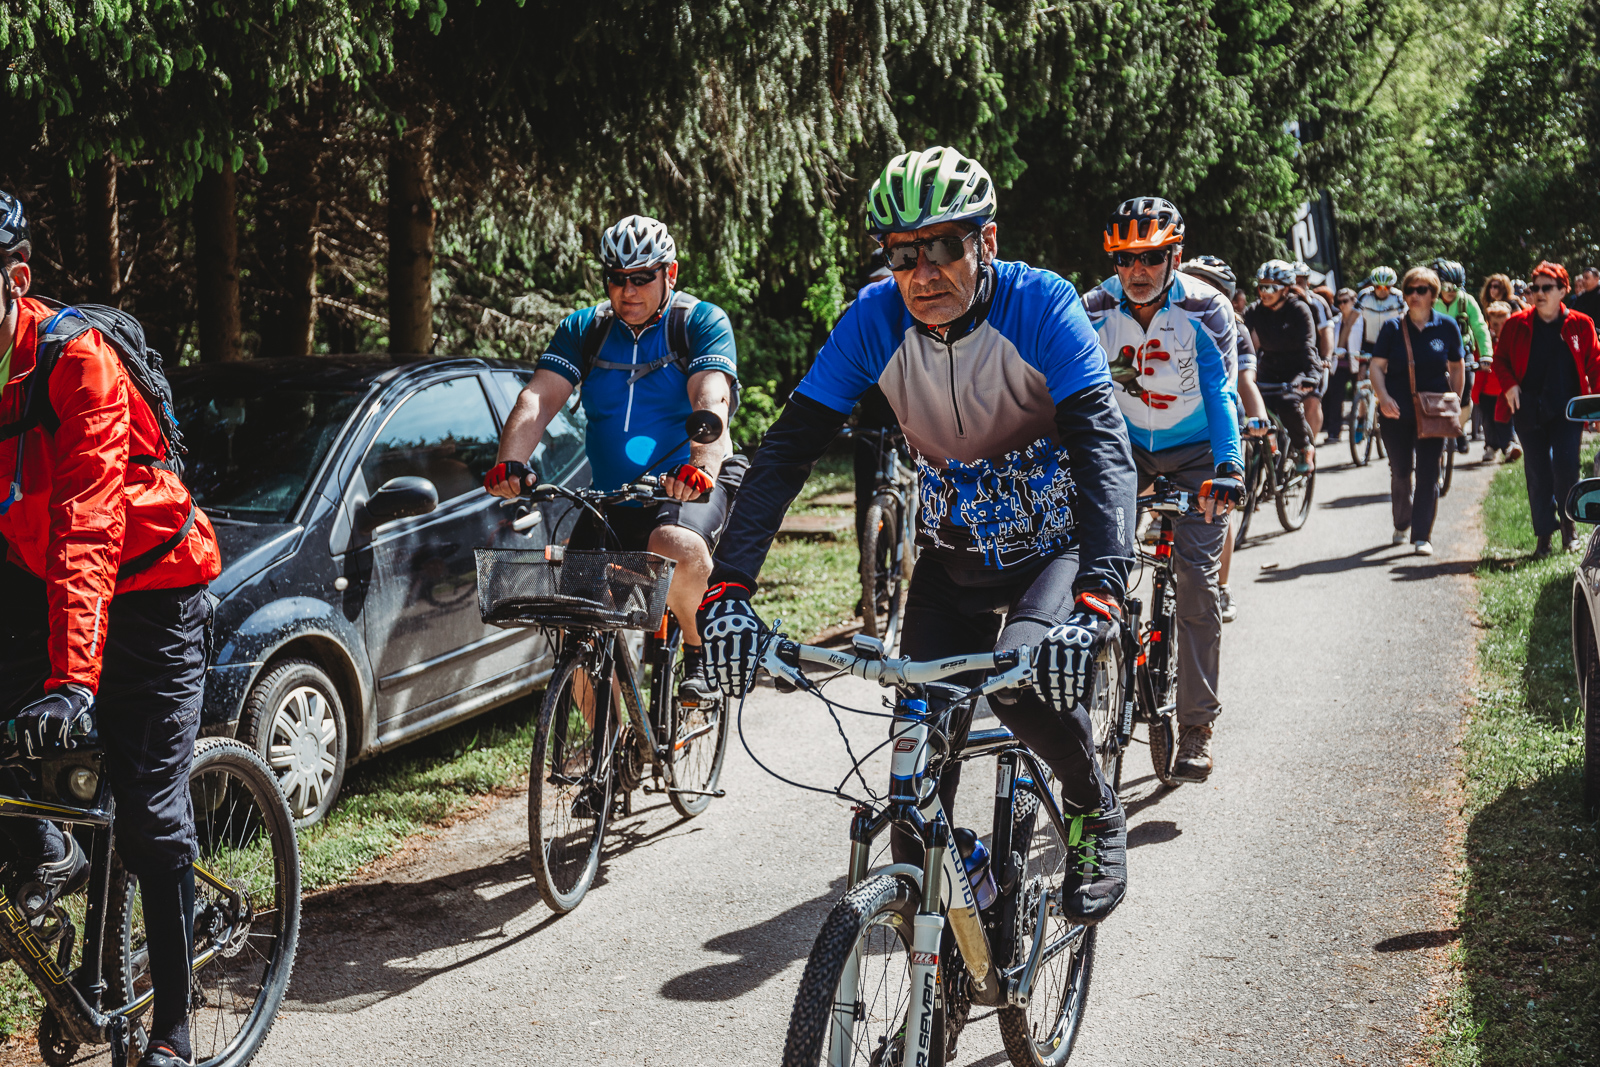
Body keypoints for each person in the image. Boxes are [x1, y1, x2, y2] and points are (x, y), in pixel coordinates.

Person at [696, 146, 1140, 924]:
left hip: (1055, 548)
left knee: (1023, 680)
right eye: (902, 252)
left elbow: (1102, 447)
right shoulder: (874, 320)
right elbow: (787, 451)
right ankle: (975, 916)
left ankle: (1094, 805)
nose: (923, 272)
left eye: (943, 247)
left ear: (987, 242)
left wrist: (1101, 591)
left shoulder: (1044, 305)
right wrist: (728, 587)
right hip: (953, 556)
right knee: (910, 788)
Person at [0, 190, 223, 1067]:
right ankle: (48, 846)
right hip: (39, 578)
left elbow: (89, 525)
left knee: (150, 819)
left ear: (15, 281)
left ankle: (172, 1025)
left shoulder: (75, 362)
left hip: (152, 587)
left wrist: (73, 681)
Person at [486, 214, 743, 699]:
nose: (628, 291)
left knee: (676, 544)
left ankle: (698, 652)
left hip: (683, 486)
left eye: (642, 278)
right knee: (570, 623)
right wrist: (512, 463)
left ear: (670, 273)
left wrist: (700, 468)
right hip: (610, 498)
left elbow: (711, 397)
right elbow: (537, 400)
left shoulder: (699, 323)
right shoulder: (585, 329)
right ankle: (617, 755)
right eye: (617, 279)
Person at [1084, 206, 1242, 782]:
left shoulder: (1205, 307)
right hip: (1128, 448)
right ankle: (1098, 684)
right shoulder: (1094, 308)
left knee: (1199, 584)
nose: (1139, 270)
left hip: (1200, 449)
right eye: (1126, 259)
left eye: (1151, 257)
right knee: (1095, 566)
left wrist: (1229, 465)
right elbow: (1074, 397)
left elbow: (1222, 392)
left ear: (1174, 256)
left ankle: (1197, 727)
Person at [1180, 256, 1267, 626]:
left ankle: (1223, 583)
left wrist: (1257, 416)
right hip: (1174, 429)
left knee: (1218, 507)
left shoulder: (1236, 328)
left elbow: (1244, 382)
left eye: (1207, 285)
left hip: (1218, 427)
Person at [1493, 261, 1600, 557]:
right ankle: (1543, 537)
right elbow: (1500, 361)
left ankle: (1569, 531)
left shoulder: (1580, 323)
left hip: (1568, 409)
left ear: (1563, 290)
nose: (1539, 293)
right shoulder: (1517, 324)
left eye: (1546, 288)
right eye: (1535, 288)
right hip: (1527, 407)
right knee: (1538, 472)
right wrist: (1510, 384)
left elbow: (1596, 363)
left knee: (1566, 468)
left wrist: (1598, 403)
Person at [1368, 266, 1464, 556]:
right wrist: (1382, 397)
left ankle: (1422, 536)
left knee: (1428, 473)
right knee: (1400, 472)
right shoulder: (1392, 328)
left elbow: (1458, 366)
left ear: (1433, 295)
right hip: (1395, 412)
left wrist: (1455, 401)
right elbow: (1376, 366)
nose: (1414, 295)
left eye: (1421, 290)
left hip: (1433, 412)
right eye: (1409, 290)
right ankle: (1401, 522)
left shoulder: (1447, 326)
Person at [1244, 259, 1318, 471]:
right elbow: (1236, 337)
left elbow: (1308, 346)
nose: (1264, 292)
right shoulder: (1255, 310)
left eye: (1271, 287)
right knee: (1253, 408)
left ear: (1285, 289)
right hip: (1269, 368)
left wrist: (1311, 376)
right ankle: (1267, 452)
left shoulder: (1299, 309)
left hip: (1297, 370)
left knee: (1287, 403)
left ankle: (1304, 447)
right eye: (1261, 287)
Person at [1433, 259, 1492, 456]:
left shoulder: (1467, 301)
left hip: (1462, 351)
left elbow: (1480, 328)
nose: (1452, 291)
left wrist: (1485, 355)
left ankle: (1459, 429)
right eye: (1448, 286)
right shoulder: (1430, 300)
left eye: (1457, 286)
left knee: (1466, 391)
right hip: (1434, 350)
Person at [1293, 261, 1336, 439]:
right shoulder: (1278, 302)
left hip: (1313, 360)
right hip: (1285, 361)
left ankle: (1309, 447)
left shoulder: (1317, 303)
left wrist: (1326, 357)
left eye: (1300, 281)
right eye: (1292, 281)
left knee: (1312, 400)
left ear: (1308, 282)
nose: (1296, 285)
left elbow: (1327, 332)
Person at [1477, 301, 1522, 462]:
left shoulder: (1514, 339)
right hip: (1487, 391)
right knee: (1488, 421)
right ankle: (1490, 446)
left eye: (1504, 323)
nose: (1500, 327)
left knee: (1505, 420)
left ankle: (1509, 446)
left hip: (1505, 390)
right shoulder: (1486, 342)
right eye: (1496, 324)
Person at [1324, 286, 1365, 442]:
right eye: (1339, 302)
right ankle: (1334, 432)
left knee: (1361, 397)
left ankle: (1361, 427)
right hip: (1339, 365)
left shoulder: (1362, 319)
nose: (1341, 304)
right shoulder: (1335, 322)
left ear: (1354, 301)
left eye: (1345, 301)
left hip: (1358, 363)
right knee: (1335, 399)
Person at [1357, 267, 1406, 353]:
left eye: (1387, 287)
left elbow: (1405, 320)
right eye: (1379, 287)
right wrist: (1341, 346)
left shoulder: (1398, 296)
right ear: (1373, 286)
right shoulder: (1365, 295)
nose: (1383, 290)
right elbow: (1349, 322)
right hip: (1369, 343)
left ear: (1392, 286)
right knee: (1363, 366)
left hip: (1392, 343)